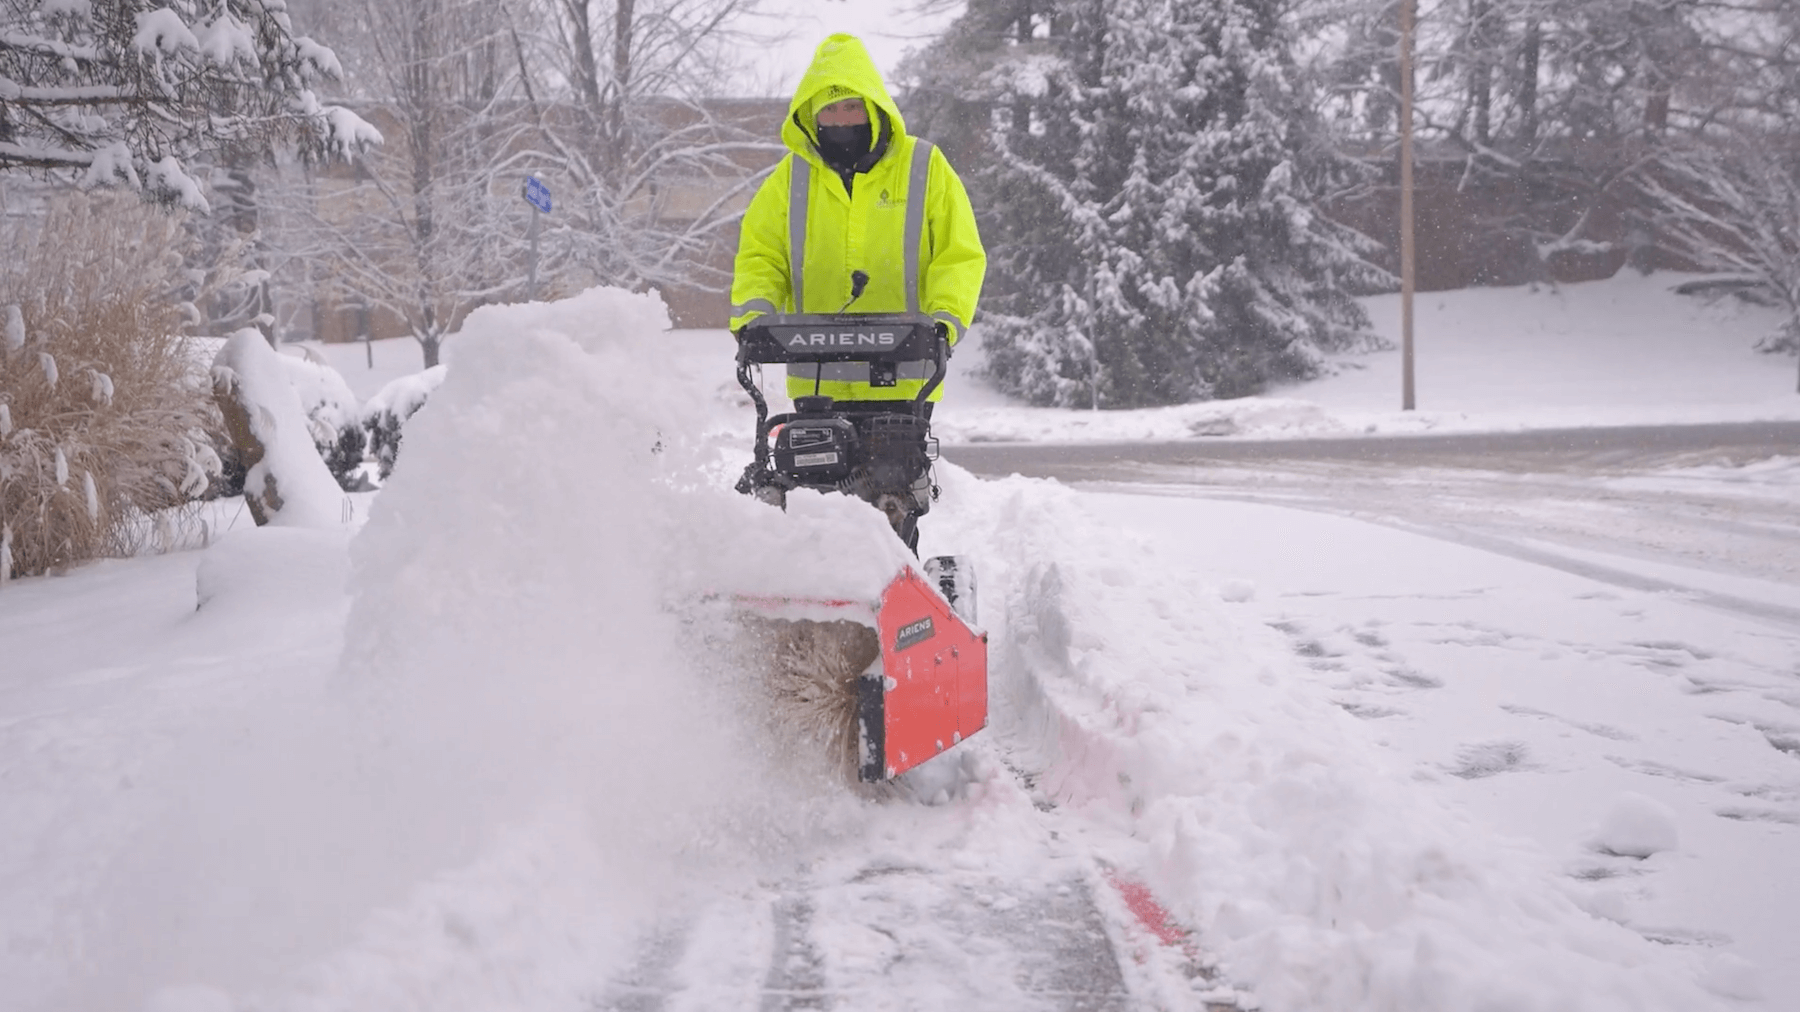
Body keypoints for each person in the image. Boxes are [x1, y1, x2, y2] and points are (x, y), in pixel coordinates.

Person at [729, 33, 986, 413]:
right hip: (817, 384)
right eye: (829, 112)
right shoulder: (790, 179)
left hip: (905, 379)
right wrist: (753, 319)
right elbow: (762, 257)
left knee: (895, 471)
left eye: (851, 107)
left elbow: (958, 254)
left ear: (873, 107)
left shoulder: (923, 167)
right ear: (810, 117)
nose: (841, 121)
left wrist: (944, 322)